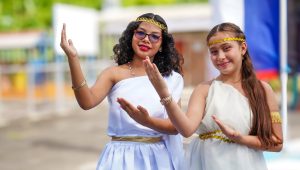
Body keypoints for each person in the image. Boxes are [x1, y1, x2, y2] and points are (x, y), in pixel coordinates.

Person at [119, 22, 283, 170]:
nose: (220, 57)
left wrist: (240, 138)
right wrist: (164, 94)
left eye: (226, 49)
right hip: (207, 163)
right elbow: (187, 129)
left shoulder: (263, 90)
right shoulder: (204, 89)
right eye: (214, 52)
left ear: (243, 48)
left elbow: (276, 143)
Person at [60, 13, 184, 170]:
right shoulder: (113, 73)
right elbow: (86, 102)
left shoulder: (172, 78)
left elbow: (176, 127)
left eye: (154, 37)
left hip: (157, 158)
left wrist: (147, 121)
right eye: (140, 33)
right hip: (119, 157)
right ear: (131, 36)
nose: (146, 39)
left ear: (162, 45)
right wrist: (73, 58)